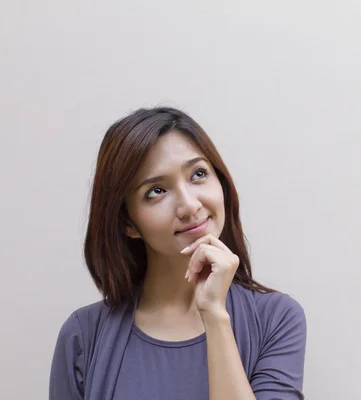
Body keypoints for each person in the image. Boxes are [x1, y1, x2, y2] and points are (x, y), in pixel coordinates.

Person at [49, 107, 307, 400]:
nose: (190, 205)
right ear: (128, 223)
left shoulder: (276, 319)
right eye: (156, 191)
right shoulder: (83, 336)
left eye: (198, 174)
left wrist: (214, 315)